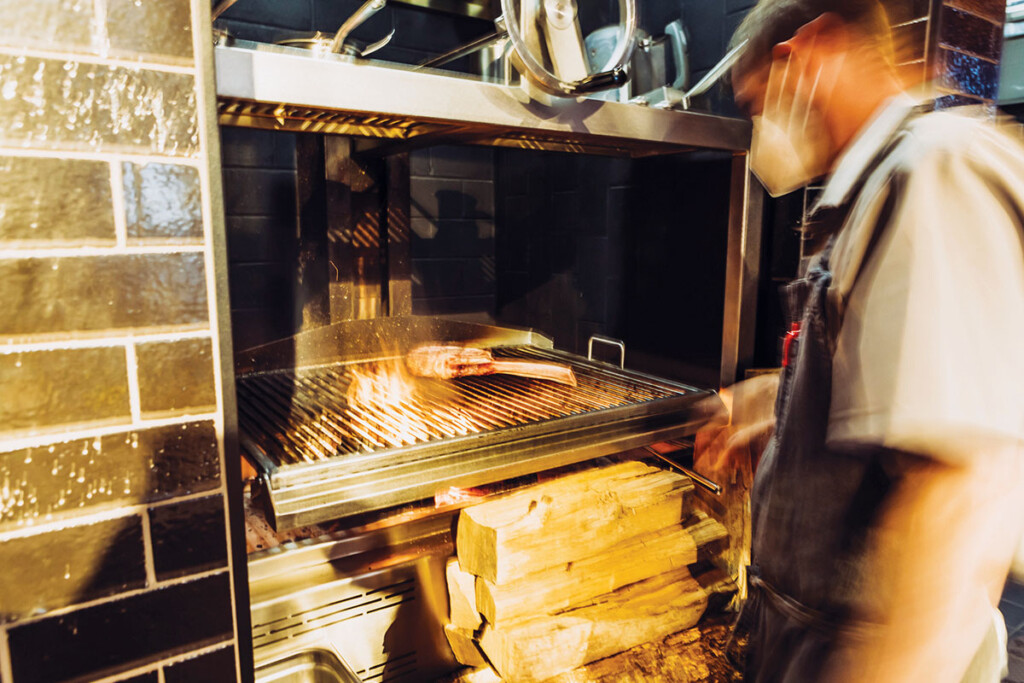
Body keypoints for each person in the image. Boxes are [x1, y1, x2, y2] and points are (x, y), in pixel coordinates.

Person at [723, 1, 1024, 680]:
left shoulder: (933, 172)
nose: (760, 131)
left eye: (755, 105)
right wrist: (781, 403)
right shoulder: (876, 189)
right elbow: (906, 386)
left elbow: (961, 493)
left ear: (808, 53)